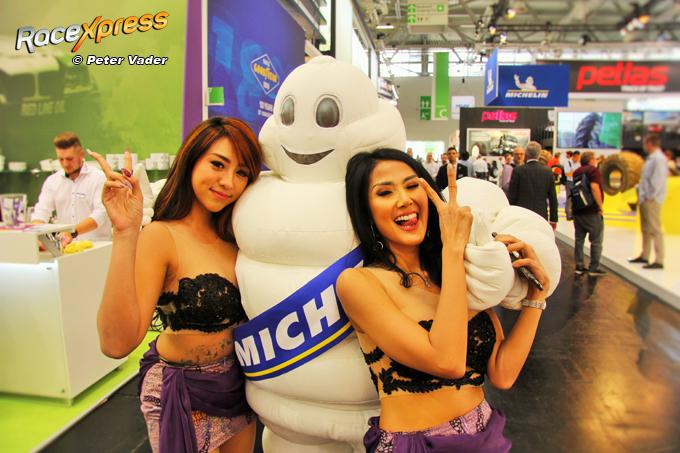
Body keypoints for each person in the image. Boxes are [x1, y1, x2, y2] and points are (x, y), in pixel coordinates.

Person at [338, 149, 551, 452]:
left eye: (412, 186)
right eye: (385, 192)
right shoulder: (359, 283)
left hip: (486, 436)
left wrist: (536, 295)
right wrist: (453, 247)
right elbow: (447, 362)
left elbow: (502, 374)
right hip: (415, 444)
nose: (404, 200)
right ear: (366, 210)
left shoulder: (452, 271)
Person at [92, 117, 263, 453]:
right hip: (181, 393)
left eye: (242, 172)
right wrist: (125, 233)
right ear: (191, 160)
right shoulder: (161, 236)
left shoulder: (240, 236)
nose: (228, 181)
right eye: (218, 164)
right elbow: (116, 344)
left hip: (237, 387)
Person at [31, 132, 111, 244]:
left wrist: (72, 232)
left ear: (81, 154)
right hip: (67, 247)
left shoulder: (98, 178)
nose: (65, 164)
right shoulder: (52, 181)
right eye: (61, 159)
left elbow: (101, 213)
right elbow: (41, 212)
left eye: (69, 159)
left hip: (98, 246)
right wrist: (37, 237)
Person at [629, 135, 668, 269]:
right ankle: (645, 255)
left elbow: (658, 180)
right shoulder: (652, 158)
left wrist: (651, 196)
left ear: (650, 144)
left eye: (645, 144)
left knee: (655, 229)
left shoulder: (658, 159)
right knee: (645, 228)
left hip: (651, 200)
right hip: (645, 198)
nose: (644, 146)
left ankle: (659, 259)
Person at [508, 141, 558, 230]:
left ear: (526, 154)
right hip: (541, 215)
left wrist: (510, 216)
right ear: (539, 154)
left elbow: (512, 196)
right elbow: (553, 197)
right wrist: (553, 219)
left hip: (521, 215)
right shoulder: (548, 172)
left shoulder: (518, 170)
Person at [572, 152, 606, 277]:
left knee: (579, 240)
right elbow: (594, 187)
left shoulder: (577, 172)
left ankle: (579, 266)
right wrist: (600, 206)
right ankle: (593, 267)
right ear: (591, 160)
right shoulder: (593, 171)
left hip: (578, 210)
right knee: (596, 240)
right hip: (591, 211)